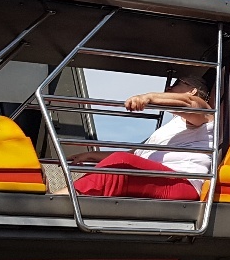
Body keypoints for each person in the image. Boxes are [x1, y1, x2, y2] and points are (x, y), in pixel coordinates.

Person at [65, 74, 215, 200]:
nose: (168, 89)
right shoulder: (172, 127)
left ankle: (63, 199)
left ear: (192, 90)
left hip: (182, 183)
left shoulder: (206, 113)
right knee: (120, 163)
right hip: (157, 178)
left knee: (121, 164)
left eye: (176, 84)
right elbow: (133, 154)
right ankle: (69, 196)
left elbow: (189, 103)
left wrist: (148, 98)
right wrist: (90, 156)